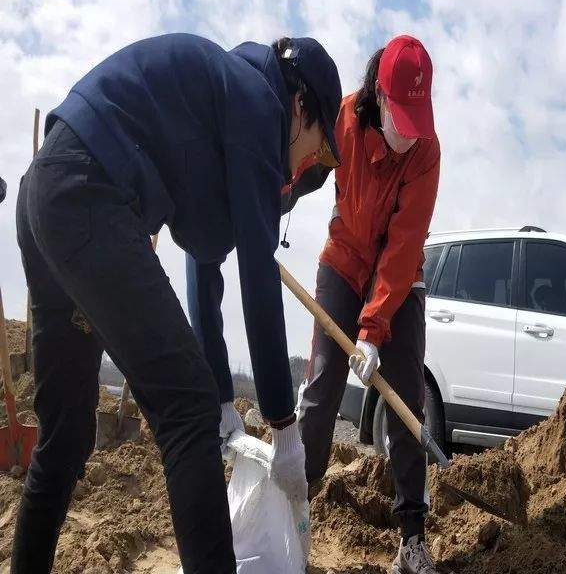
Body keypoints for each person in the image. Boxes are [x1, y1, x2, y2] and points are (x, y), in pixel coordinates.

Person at [13, 32, 341, 574]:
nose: (307, 166)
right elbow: (257, 280)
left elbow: (204, 264)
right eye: (321, 147)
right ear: (301, 106)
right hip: (89, 191)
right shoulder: (260, 106)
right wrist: (284, 426)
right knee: (185, 411)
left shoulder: (217, 102)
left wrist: (224, 402)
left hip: (47, 193)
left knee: (67, 433)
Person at [286, 35, 442, 574]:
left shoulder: (426, 150)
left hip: (399, 280)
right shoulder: (345, 118)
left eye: (415, 120)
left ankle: (412, 538)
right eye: (399, 118)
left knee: (406, 402)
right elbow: (302, 164)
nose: (407, 134)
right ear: (378, 93)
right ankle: (295, 511)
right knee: (324, 383)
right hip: (343, 261)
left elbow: (403, 248)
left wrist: (374, 331)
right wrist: (266, 203)